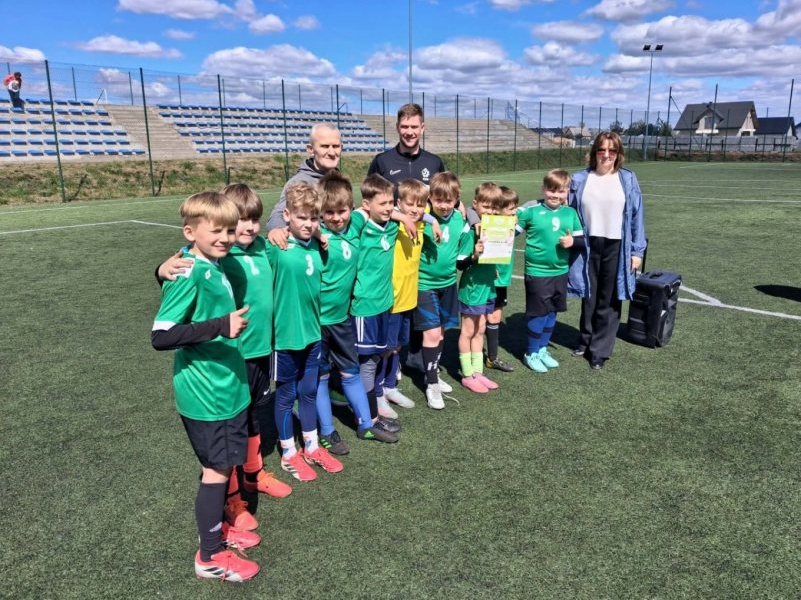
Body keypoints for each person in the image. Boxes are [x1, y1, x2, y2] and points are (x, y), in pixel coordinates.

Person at [156, 185, 293, 529]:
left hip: (260, 349)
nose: (244, 229)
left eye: (252, 221)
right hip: (228, 359)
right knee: (230, 431)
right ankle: (231, 499)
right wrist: (160, 269)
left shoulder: (260, 247)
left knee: (253, 418)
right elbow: (182, 271)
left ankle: (254, 474)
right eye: (238, 222)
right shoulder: (218, 256)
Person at [151, 191, 261, 582]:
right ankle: (210, 556)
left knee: (220, 465)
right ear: (190, 232)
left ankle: (219, 530)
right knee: (216, 470)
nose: (226, 238)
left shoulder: (208, 262)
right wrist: (220, 325)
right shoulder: (191, 270)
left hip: (225, 386)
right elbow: (161, 335)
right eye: (216, 231)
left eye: (229, 230)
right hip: (207, 393)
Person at [315, 172, 399, 449]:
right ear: (320, 213)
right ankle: (327, 431)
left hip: (341, 319)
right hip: (316, 322)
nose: (337, 218)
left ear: (351, 208)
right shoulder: (316, 237)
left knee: (351, 372)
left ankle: (367, 424)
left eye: (342, 211)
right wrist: (279, 232)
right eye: (329, 213)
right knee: (320, 378)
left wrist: (410, 217)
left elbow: (378, 211)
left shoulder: (355, 224)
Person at [267, 182, 344, 481]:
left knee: (309, 392)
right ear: (287, 215)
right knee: (286, 395)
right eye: (301, 217)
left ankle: (311, 446)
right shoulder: (277, 247)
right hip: (285, 338)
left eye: (313, 218)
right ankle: (289, 452)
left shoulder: (316, 246)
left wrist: (320, 236)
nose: (308, 224)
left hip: (313, 334)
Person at [568, 132, 647, 370]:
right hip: (587, 244)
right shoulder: (580, 178)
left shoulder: (628, 178)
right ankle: (585, 340)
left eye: (612, 150)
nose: (606, 155)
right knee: (589, 294)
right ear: (594, 152)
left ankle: (599, 350)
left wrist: (637, 252)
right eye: (602, 149)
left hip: (617, 245)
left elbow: (637, 216)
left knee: (609, 298)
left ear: (618, 154)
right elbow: (563, 206)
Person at [350, 174, 404, 433]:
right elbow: (347, 218)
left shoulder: (391, 226)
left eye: (391, 202)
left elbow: (416, 214)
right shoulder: (359, 226)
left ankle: (371, 413)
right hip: (364, 307)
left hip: (384, 305)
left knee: (376, 357)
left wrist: (405, 217)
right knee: (366, 363)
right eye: (382, 203)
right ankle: (367, 418)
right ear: (366, 204)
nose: (388, 208)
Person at [517, 170, 584, 373]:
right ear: (543, 189)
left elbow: (582, 240)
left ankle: (542, 349)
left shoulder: (570, 213)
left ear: (567, 192)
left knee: (552, 312)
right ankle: (531, 353)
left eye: (560, 191)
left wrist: (572, 241)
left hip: (560, 271)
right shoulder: (531, 211)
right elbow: (510, 232)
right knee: (538, 313)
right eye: (551, 190)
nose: (555, 195)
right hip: (537, 272)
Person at [374, 178, 428, 414]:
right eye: (409, 205)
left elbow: (431, 212)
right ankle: (377, 393)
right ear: (398, 204)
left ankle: (390, 386)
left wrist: (432, 220)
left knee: (397, 347)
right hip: (391, 300)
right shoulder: (392, 226)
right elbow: (372, 212)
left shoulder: (422, 223)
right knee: (385, 348)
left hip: (409, 299)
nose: (415, 210)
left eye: (420, 205)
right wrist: (403, 217)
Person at [414, 171, 463, 409]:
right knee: (432, 334)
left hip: (449, 283)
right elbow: (404, 211)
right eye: (438, 200)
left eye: (449, 200)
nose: (443, 205)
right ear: (430, 198)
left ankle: (432, 374)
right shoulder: (422, 218)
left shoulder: (459, 218)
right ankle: (431, 384)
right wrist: (430, 220)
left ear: (456, 199)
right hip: (425, 285)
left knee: (441, 334)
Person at [456, 182, 502, 394]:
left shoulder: (494, 229)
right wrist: (475, 255)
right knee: (468, 331)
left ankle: (478, 372)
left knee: (480, 330)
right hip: (472, 289)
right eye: (486, 206)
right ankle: (467, 375)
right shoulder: (470, 231)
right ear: (475, 204)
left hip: (487, 287)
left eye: (494, 207)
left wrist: (494, 269)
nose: (490, 211)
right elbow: (460, 263)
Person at [265, 123, 342, 234]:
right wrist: (278, 230)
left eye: (336, 146)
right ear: (311, 149)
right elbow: (278, 215)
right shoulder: (300, 182)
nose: (331, 152)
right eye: (325, 146)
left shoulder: (340, 180)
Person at [367, 103, 445, 190]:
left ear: (422, 128)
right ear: (397, 127)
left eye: (414, 127)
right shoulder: (381, 161)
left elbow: (444, 195)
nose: (409, 132)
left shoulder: (435, 163)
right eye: (404, 127)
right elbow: (369, 195)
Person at [484, 186, 519, 373]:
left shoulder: (511, 223)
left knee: (496, 316)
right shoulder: (490, 225)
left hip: (503, 279)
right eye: (511, 209)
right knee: (483, 318)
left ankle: (492, 358)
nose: (514, 212)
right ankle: (477, 356)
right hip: (490, 279)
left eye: (515, 208)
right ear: (498, 209)